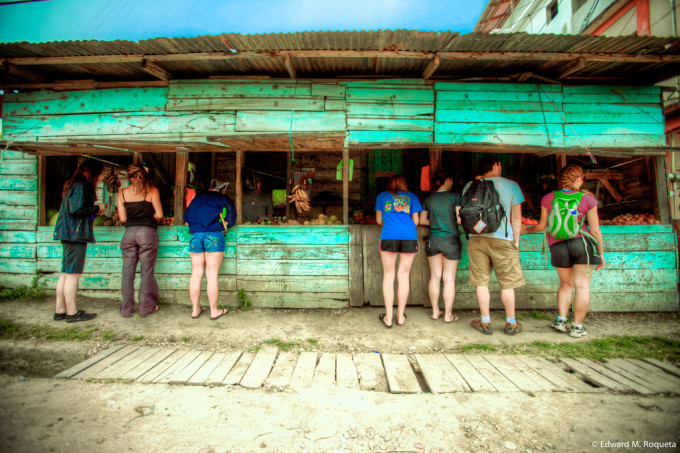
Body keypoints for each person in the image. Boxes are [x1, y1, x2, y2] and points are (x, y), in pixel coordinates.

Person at [521, 165, 604, 338]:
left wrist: (525, 230)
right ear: (579, 179)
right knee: (582, 286)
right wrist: (600, 254)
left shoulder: (549, 198)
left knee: (565, 284)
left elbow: (542, 226)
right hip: (582, 243)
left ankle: (561, 320)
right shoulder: (588, 199)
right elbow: (595, 230)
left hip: (557, 246)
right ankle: (577, 327)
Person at [464, 155, 525, 336]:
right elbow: (516, 217)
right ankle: (511, 323)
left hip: (476, 238)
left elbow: (463, 214)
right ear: (497, 165)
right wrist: (516, 240)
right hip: (503, 238)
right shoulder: (511, 185)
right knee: (507, 284)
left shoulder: (470, 186)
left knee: (481, 283)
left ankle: (485, 322)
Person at [52, 159, 106, 323]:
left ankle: (60, 310)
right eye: (101, 173)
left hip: (68, 233)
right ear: (94, 172)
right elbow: (76, 209)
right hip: (74, 235)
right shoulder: (81, 185)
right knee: (73, 276)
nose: (102, 176)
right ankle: (72, 313)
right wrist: (97, 208)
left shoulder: (74, 183)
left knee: (65, 273)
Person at [183, 179, 236, 320]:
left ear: (210, 187)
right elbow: (231, 220)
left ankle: (195, 309)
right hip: (213, 235)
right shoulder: (223, 198)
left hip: (195, 236)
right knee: (211, 275)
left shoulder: (198, 198)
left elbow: (186, 216)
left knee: (196, 274)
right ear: (223, 189)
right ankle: (214, 311)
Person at [375, 175, 422, 327]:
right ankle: (400, 316)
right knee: (404, 275)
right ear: (404, 184)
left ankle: (388, 317)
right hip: (409, 236)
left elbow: (378, 220)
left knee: (389, 275)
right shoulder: (412, 197)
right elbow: (416, 221)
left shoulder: (382, 196)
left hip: (389, 235)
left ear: (389, 184)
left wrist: (390, 222)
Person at [116, 164, 163, 318]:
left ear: (129, 177)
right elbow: (159, 214)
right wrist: (149, 216)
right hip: (147, 232)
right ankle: (146, 307)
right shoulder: (152, 191)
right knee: (146, 271)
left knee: (127, 273)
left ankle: (126, 309)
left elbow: (122, 218)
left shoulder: (122, 193)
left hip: (129, 233)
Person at [419, 169, 462, 323]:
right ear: (448, 179)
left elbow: (422, 221)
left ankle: (435, 312)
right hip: (450, 240)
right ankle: (448, 315)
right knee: (449, 278)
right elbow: (459, 220)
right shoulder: (455, 197)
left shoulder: (429, 199)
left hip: (433, 240)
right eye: (451, 180)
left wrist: (437, 223)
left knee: (435, 277)